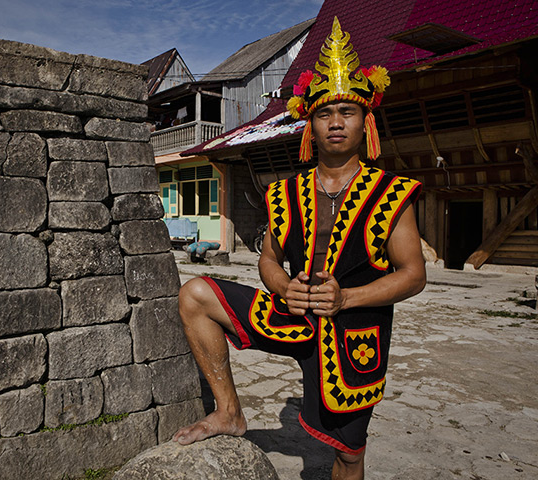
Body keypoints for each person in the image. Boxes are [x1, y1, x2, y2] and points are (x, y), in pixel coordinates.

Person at [172, 17, 426, 480]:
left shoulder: (392, 192)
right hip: (290, 316)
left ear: (365, 121)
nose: (335, 122)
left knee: (349, 454)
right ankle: (229, 412)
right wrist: (284, 286)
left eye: (347, 111)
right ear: (309, 123)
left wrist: (347, 297)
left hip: (354, 332)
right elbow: (269, 257)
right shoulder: (283, 194)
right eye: (325, 113)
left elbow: (413, 274)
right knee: (195, 295)